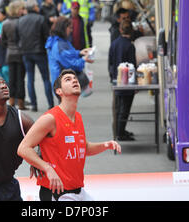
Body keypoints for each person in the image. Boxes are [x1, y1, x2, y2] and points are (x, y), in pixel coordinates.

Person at [17, 68, 121, 201]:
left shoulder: (77, 117)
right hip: (57, 193)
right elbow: (23, 148)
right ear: (59, 91)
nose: (74, 81)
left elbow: (84, 148)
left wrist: (106, 145)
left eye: (75, 79)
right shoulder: (50, 118)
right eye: (68, 80)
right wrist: (47, 168)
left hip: (78, 191)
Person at [17, 0, 54, 112]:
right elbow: (46, 36)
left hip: (26, 52)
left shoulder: (21, 20)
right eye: (37, 6)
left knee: (30, 78)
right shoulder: (41, 19)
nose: (39, 7)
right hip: (39, 52)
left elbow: (18, 36)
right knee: (46, 79)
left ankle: (34, 104)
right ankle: (50, 104)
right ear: (34, 7)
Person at [45, 16, 92, 90]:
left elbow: (68, 53)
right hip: (64, 84)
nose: (71, 30)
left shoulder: (58, 40)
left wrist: (79, 53)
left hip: (61, 82)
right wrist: (83, 59)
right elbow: (71, 64)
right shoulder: (60, 45)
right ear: (63, 28)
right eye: (69, 28)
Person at [108, 20, 137, 141]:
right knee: (125, 108)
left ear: (120, 30)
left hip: (116, 79)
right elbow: (132, 65)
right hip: (127, 82)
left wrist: (112, 77)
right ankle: (120, 133)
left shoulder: (114, 44)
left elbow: (110, 63)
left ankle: (118, 131)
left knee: (117, 107)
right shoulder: (130, 46)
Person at [1, 0, 27, 110]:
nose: (24, 10)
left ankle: (11, 101)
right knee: (20, 79)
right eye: (22, 8)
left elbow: (3, 40)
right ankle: (21, 102)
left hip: (10, 53)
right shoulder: (22, 22)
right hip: (21, 53)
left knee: (11, 79)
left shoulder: (5, 23)